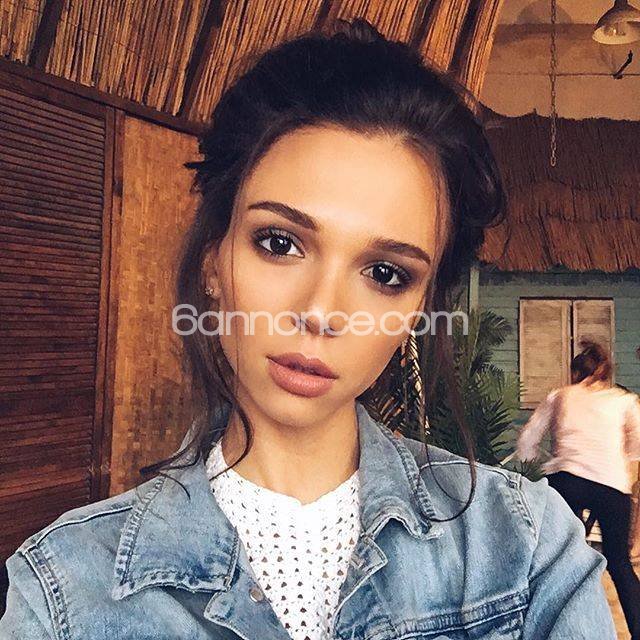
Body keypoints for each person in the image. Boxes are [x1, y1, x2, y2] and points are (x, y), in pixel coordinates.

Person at [0, 18, 616, 640]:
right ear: (214, 262)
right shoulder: (62, 588)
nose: (321, 312)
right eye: (279, 242)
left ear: (419, 309)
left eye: (385, 273)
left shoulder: (527, 549)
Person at [518, 339, 640, 639]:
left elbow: (527, 442)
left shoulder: (560, 395)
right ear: (605, 373)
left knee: (561, 560)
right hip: (611, 485)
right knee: (619, 563)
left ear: (575, 373)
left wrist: (541, 461)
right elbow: (637, 448)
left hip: (567, 482)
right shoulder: (623, 401)